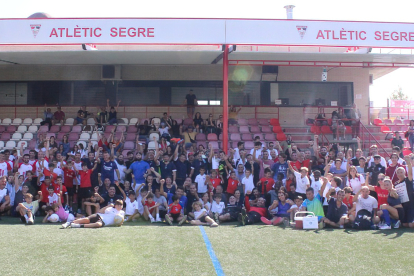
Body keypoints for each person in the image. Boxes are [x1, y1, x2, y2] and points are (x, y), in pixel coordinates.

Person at [393, 155, 414, 228]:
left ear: (404, 173)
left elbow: (410, 173)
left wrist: (409, 164)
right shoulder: (396, 183)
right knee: (404, 224)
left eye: (401, 172)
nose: (399, 174)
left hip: (411, 204)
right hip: (403, 205)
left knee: (411, 225)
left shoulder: (408, 180)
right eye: (398, 172)